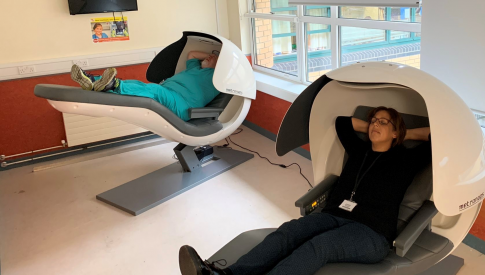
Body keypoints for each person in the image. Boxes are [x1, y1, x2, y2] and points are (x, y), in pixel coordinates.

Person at [178, 106, 432, 275]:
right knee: (289, 231)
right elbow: (342, 123)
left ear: (397, 130)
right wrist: (377, 129)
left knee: (318, 246)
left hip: (371, 233)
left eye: (384, 122)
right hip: (333, 215)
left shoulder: (406, 159)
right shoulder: (359, 150)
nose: (375, 124)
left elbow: (436, 137)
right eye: (373, 120)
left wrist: (402, 134)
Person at [70, 51, 220, 121]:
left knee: (153, 90)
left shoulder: (217, 77)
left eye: (214, 56)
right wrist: (208, 58)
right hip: (169, 91)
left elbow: (229, 67)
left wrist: (216, 62)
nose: (210, 56)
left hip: (183, 104)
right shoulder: (194, 67)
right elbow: (192, 53)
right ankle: (93, 82)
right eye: (209, 55)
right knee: (141, 86)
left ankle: (112, 84)